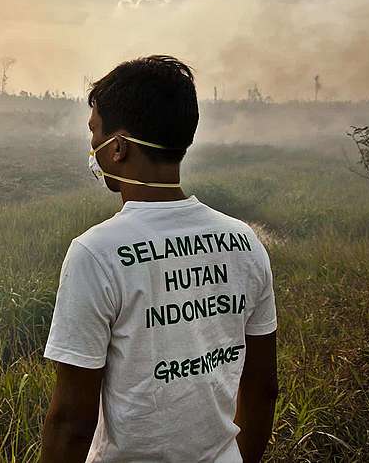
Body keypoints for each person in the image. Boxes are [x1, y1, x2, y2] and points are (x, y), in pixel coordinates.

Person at [39, 55, 278, 463]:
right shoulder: (245, 242)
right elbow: (261, 386)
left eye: (94, 132)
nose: (92, 147)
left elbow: (71, 423)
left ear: (117, 148)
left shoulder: (95, 254)